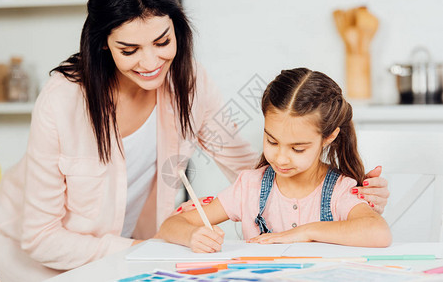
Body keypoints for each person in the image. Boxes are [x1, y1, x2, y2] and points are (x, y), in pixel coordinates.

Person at [0, 0, 388, 281]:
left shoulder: (189, 81)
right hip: (33, 261)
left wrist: (340, 202)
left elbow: (247, 167)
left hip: (134, 256)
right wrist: (151, 247)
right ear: (102, 44)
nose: (150, 63)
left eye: (163, 41)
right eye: (129, 50)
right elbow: (41, 237)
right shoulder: (63, 100)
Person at [157, 68, 392, 252]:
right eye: (272, 141)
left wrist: (305, 232)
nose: (280, 158)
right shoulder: (250, 186)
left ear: (328, 138)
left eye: (298, 149)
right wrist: (192, 236)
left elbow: (378, 233)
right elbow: (170, 226)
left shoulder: (339, 191)